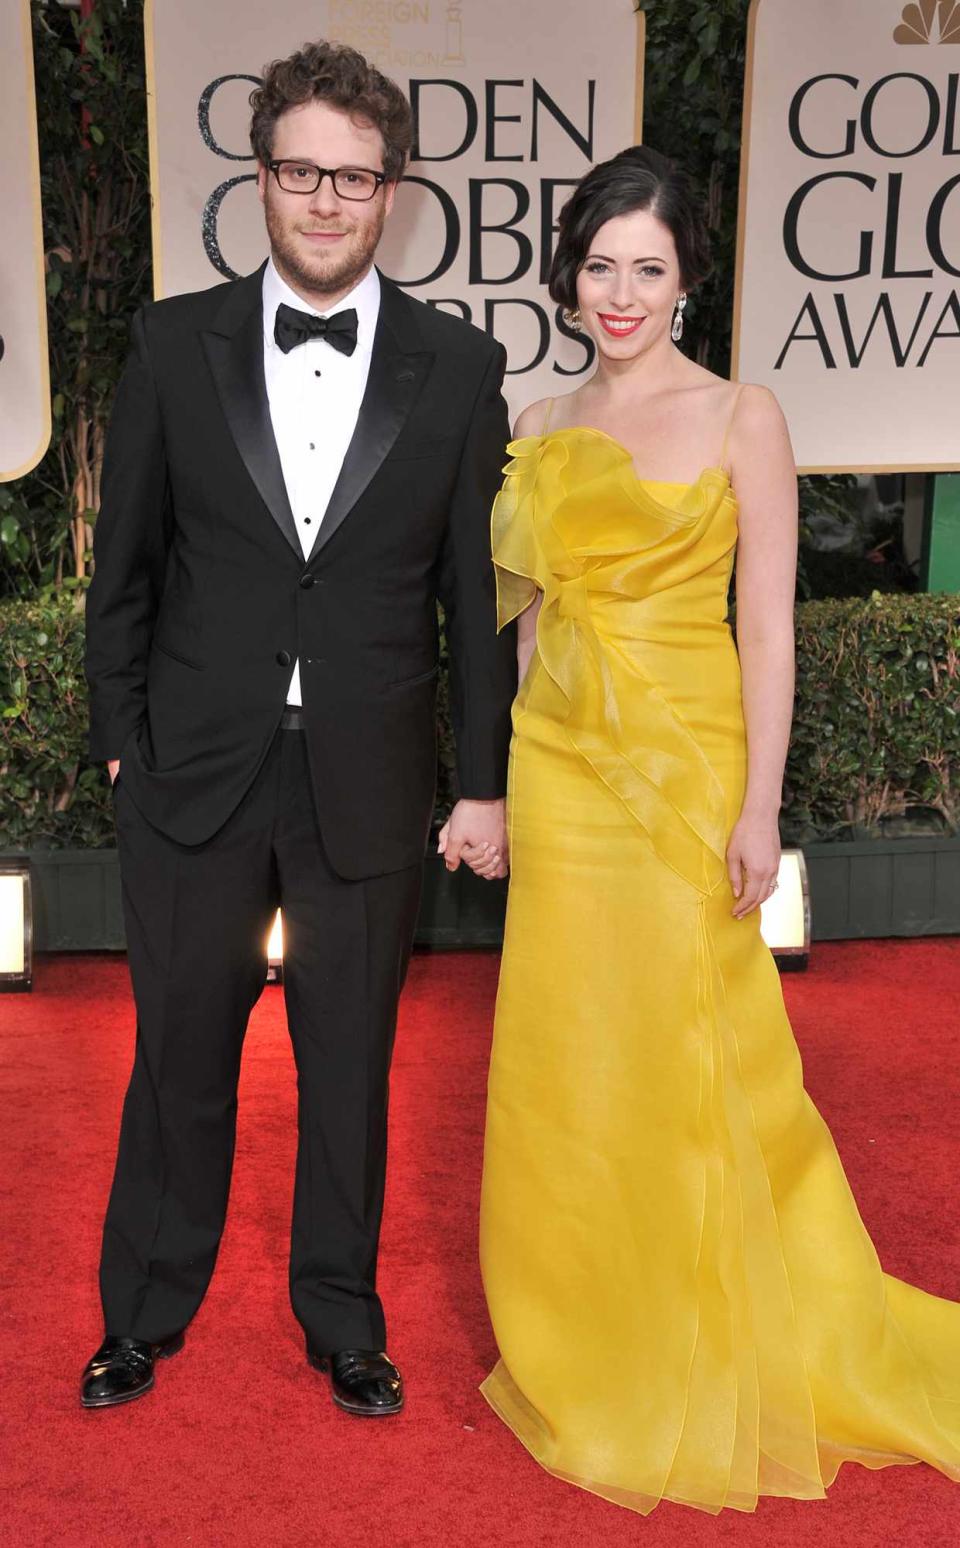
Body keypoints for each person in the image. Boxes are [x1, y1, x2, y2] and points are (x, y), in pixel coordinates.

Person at [474, 145, 960, 1514]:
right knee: (575, 1055)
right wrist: (510, 781)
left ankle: (711, 1337)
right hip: (565, 782)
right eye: (601, 265)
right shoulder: (535, 412)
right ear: (569, 274)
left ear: (687, 284)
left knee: (698, 1053)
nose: (621, 292)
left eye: (650, 269)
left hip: (687, 778)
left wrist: (759, 805)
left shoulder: (746, 413)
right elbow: (526, 629)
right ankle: (584, 1335)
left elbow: (766, 624)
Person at [81, 39, 515, 1415]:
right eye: (299, 171)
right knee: (178, 1058)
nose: (325, 201)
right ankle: (142, 1312)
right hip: (195, 772)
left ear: (393, 189)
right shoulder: (170, 341)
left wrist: (481, 784)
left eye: (354, 175)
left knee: (352, 1071)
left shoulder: (459, 365)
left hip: (373, 782)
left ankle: (345, 1319)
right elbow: (126, 569)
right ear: (262, 178)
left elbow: (470, 601)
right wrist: (115, 739)